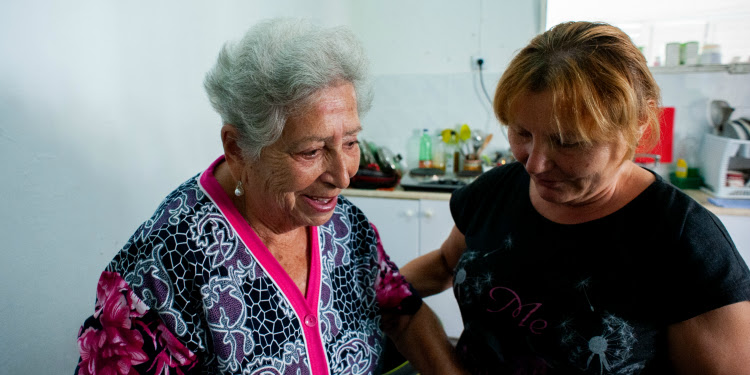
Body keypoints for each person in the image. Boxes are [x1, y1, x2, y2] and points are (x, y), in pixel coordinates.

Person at [75, 18, 464, 375]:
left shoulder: (346, 227)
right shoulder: (161, 269)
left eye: (350, 142)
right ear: (238, 148)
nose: (344, 176)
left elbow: (403, 312)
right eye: (310, 152)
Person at [401, 21, 750, 374]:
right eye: (521, 132)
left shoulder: (683, 240)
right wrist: (372, 292)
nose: (535, 164)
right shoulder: (497, 190)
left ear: (638, 125)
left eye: (568, 141)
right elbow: (446, 264)